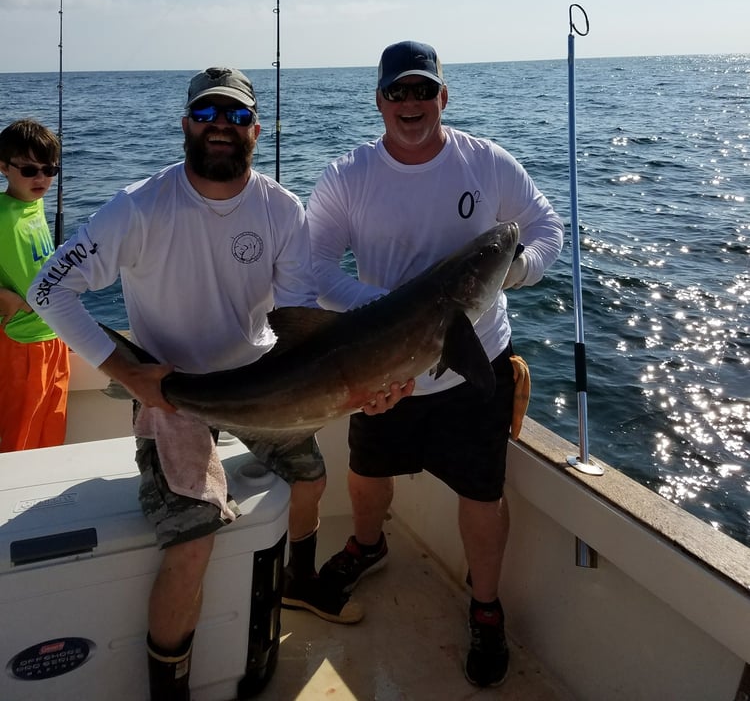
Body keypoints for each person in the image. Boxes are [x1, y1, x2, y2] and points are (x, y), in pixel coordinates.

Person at [28, 66, 403, 701]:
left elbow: (297, 325)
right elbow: (47, 288)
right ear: (185, 126)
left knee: (311, 480)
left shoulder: (283, 211)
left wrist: (362, 383)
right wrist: (125, 373)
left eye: (234, 116)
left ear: (256, 129)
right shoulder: (139, 206)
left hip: (263, 382)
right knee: (194, 540)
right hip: (173, 393)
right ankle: (168, 687)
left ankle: (297, 583)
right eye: (206, 115)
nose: (220, 127)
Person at [306, 41, 564, 690]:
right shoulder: (348, 175)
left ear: (443, 97)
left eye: (424, 91)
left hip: (476, 363)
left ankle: (485, 604)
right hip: (382, 365)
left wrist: (517, 272)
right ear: (380, 101)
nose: (411, 104)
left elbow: (544, 229)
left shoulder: (487, 163)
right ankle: (369, 543)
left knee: (482, 493)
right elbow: (311, 269)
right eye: (399, 92)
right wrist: (388, 311)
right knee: (364, 473)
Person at [0, 118, 70, 451]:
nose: (41, 178)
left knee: (51, 432)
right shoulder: (2, 216)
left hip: (54, 335)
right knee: (20, 436)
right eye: (29, 171)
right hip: (21, 343)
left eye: (49, 169)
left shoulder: (35, 203)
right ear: (3, 167)